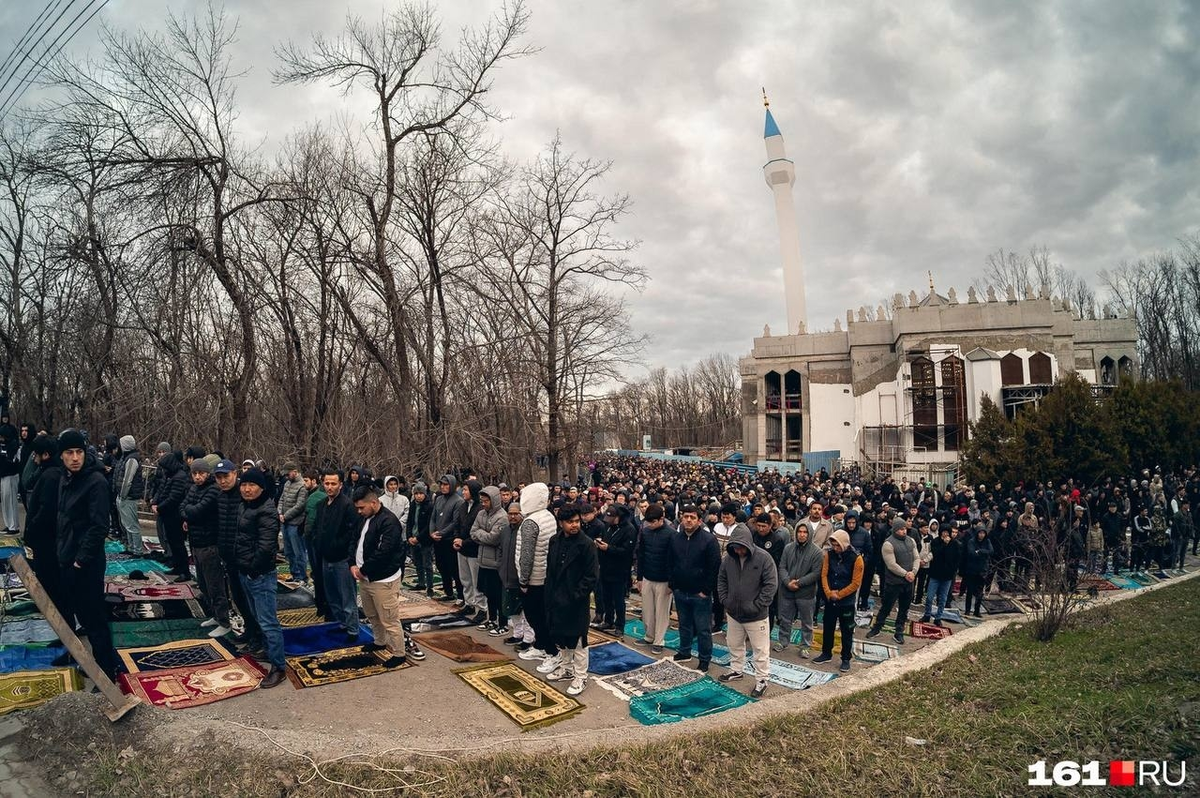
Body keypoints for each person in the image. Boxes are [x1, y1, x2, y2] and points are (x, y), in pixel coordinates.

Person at [55, 429, 121, 679]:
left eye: (79, 452)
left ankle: (107, 669)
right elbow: (63, 518)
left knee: (93, 617)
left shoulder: (95, 482)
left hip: (86, 562)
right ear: (62, 456)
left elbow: (98, 527)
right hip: (68, 556)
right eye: (70, 453)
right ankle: (87, 659)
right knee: (80, 613)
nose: (75, 457)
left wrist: (80, 561)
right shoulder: (66, 478)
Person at [234, 468, 286, 688]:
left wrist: (253, 568)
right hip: (246, 570)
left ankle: (279, 667)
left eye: (251, 485)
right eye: (244, 484)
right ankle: (267, 650)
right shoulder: (244, 506)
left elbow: (266, 546)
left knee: (268, 622)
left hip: (260, 574)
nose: (246, 489)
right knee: (256, 616)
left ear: (261, 488)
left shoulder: (267, 511)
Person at [541, 504, 599, 697]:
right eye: (570, 522)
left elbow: (591, 576)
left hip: (576, 600)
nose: (575, 525)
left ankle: (581, 676)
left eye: (577, 521)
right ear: (561, 523)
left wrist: (575, 596)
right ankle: (566, 668)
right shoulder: (554, 541)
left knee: (579, 639)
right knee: (561, 636)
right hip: (556, 597)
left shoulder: (587, 544)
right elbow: (550, 569)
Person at [716, 522, 778, 698]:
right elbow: (721, 580)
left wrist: (757, 605)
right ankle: (736, 670)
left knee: (760, 650)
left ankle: (762, 680)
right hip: (734, 613)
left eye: (741, 547)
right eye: (735, 547)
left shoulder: (764, 558)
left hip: (756, 616)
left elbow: (771, 585)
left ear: (748, 544)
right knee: (734, 644)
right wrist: (725, 600)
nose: (738, 551)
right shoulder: (728, 559)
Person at [350, 486, 408, 668]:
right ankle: (379, 641)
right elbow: (355, 541)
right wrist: (352, 563)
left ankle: (399, 653)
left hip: (383, 579)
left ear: (373, 503)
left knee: (389, 618)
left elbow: (384, 552)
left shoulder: (389, 522)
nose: (359, 511)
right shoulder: (364, 518)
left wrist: (364, 570)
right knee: (372, 614)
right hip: (365, 577)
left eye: (361, 507)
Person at [180, 457, 231, 638]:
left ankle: (224, 621)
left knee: (215, 584)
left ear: (207, 473)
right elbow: (183, 507)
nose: (197, 477)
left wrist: (189, 514)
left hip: (210, 544)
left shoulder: (213, 490)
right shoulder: (194, 488)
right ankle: (216, 616)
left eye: (201, 473)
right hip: (197, 542)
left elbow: (197, 511)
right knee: (203, 584)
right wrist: (188, 515)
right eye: (194, 473)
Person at [668, 504, 721, 672]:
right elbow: (671, 563)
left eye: (692, 517)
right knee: (684, 624)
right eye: (686, 517)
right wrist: (673, 584)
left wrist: (706, 590)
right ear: (681, 519)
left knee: (703, 628)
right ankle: (684, 652)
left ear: (699, 520)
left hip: (700, 594)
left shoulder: (709, 540)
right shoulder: (676, 538)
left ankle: (704, 659)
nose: (688, 520)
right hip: (681, 591)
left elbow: (714, 568)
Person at [24, 434, 67, 620]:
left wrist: (32, 528)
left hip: (46, 538)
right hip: (46, 537)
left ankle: (59, 617)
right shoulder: (49, 472)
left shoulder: (51, 475)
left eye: (37, 454)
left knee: (50, 579)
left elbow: (46, 510)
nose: (34, 458)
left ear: (46, 455)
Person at [315, 470, 360, 639]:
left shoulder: (348, 505)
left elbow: (352, 533)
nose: (330, 487)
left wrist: (340, 549)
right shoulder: (321, 505)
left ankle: (353, 629)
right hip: (325, 558)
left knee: (347, 597)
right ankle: (342, 623)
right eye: (327, 483)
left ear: (340, 484)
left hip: (342, 559)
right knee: (332, 596)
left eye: (333, 483)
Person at [516, 483, 558, 664]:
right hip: (545, 574)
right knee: (541, 614)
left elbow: (527, 555)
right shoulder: (547, 515)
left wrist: (523, 580)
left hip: (534, 577)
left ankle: (551, 652)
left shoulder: (530, 523)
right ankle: (541, 645)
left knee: (536, 616)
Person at [813, 529, 863, 672]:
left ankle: (846, 658)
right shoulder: (829, 555)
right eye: (833, 545)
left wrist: (839, 595)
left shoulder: (856, 558)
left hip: (846, 602)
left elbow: (855, 583)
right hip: (830, 599)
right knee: (828, 627)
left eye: (838, 546)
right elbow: (824, 574)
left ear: (845, 543)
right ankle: (826, 653)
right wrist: (828, 593)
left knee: (847, 630)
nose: (835, 548)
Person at [867, 518, 918, 645]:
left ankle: (899, 632)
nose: (904, 531)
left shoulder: (911, 541)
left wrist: (913, 572)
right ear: (895, 530)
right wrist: (906, 574)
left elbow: (916, 557)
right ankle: (877, 628)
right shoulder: (888, 544)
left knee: (904, 608)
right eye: (901, 529)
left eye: (905, 528)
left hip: (909, 581)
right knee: (886, 607)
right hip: (894, 582)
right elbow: (891, 564)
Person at [774, 522, 822, 657]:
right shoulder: (788, 548)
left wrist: (799, 583)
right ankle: (783, 641)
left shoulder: (817, 552)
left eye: (805, 532)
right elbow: (782, 567)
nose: (802, 535)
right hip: (787, 590)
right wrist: (787, 582)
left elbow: (816, 573)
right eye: (799, 532)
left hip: (806, 593)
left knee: (807, 621)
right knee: (785, 619)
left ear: (810, 534)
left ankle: (805, 645)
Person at [635, 504, 674, 654]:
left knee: (661, 612)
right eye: (648, 521)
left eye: (653, 522)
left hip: (664, 580)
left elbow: (673, 560)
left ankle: (659, 640)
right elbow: (641, 555)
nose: (650, 524)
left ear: (661, 519)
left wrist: (672, 582)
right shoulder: (645, 532)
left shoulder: (671, 534)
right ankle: (649, 636)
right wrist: (639, 578)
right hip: (647, 577)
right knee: (647, 610)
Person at [469, 486, 508, 633]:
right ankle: (491, 619)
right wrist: (482, 534)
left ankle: (502, 623)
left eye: (486, 501)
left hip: (495, 562)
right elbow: (472, 532)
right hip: (483, 560)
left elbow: (494, 538)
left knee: (498, 594)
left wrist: (480, 534)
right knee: (488, 593)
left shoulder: (502, 517)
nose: (484, 504)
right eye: (482, 501)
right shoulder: (481, 514)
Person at [594, 503, 636, 636]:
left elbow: (627, 551)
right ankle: (608, 620)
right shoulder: (608, 526)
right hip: (605, 568)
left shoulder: (629, 529)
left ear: (619, 516)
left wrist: (609, 548)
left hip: (619, 569)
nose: (609, 521)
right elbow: (606, 539)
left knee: (618, 599)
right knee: (606, 597)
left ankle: (620, 625)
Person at [153, 450, 191, 582]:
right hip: (167, 514)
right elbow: (161, 490)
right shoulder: (169, 474)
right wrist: (154, 502)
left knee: (178, 543)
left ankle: (185, 571)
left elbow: (174, 497)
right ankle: (177, 566)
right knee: (172, 542)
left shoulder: (180, 477)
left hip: (175, 515)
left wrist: (159, 507)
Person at [500, 501, 532, 646]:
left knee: (525, 610)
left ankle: (528, 638)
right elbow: (501, 551)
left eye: (515, 514)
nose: (512, 516)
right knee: (511, 609)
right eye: (510, 514)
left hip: (521, 577)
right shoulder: (505, 530)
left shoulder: (525, 530)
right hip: (506, 575)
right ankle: (517, 634)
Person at [454, 479, 486, 621]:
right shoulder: (463, 506)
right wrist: (456, 539)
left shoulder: (480, 509)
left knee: (476, 581)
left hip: (474, 550)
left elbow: (477, 532)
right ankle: (469, 603)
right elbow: (457, 524)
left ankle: (482, 609)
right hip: (462, 550)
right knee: (465, 579)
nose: (463, 492)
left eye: (466, 490)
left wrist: (464, 542)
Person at [430, 474, 464, 603]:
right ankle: (448, 592)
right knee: (441, 566)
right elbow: (433, 517)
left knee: (454, 568)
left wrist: (441, 533)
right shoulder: (438, 499)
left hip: (449, 539)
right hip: (438, 540)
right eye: (442, 484)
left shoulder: (458, 501)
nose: (443, 487)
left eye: (446, 484)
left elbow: (455, 522)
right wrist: (432, 532)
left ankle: (461, 596)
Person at [919, 523, 960, 626]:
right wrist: (944, 544)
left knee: (942, 598)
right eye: (944, 532)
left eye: (947, 532)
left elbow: (956, 558)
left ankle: (938, 617)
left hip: (947, 576)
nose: (945, 534)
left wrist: (953, 570)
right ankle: (927, 614)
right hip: (935, 574)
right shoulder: (936, 541)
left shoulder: (955, 544)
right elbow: (935, 553)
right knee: (929, 597)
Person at [112, 435, 145, 556]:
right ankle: (131, 547)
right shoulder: (127, 458)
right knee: (126, 524)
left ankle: (137, 549)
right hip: (125, 496)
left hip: (128, 497)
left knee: (131, 525)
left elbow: (127, 480)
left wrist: (122, 495)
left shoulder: (131, 459)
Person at [277, 464, 309, 584]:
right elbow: (281, 499)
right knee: (289, 552)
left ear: (295, 472)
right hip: (285, 522)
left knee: (298, 551)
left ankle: (302, 576)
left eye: (288, 473)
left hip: (295, 523)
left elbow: (300, 505)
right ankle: (294, 574)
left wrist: (285, 515)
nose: (286, 476)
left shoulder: (302, 486)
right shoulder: (287, 484)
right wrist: (279, 512)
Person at [407, 482, 434, 595]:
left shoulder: (429, 506)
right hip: (413, 537)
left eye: (421, 493)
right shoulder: (413, 505)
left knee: (427, 563)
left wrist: (418, 538)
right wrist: (409, 536)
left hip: (425, 539)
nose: (418, 496)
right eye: (416, 493)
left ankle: (430, 586)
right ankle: (421, 583)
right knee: (417, 562)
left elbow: (429, 525)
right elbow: (410, 522)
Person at [962, 523, 995, 617]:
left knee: (980, 592)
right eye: (980, 533)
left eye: (983, 533)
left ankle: (977, 610)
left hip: (982, 570)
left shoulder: (987, 541)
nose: (981, 535)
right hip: (972, 570)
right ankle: (967, 610)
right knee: (970, 591)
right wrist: (982, 553)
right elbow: (971, 553)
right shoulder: (972, 541)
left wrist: (980, 551)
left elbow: (991, 551)